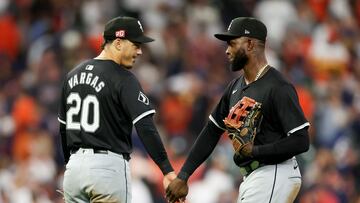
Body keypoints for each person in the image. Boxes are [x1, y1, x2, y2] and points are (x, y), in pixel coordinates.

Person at [166, 17, 310, 203]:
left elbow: (301, 140)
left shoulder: (277, 86)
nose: (227, 50)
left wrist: (256, 151)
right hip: (253, 177)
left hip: (274, 172)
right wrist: (183, 175)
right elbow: (211, 131)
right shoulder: (235, 87)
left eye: (233, 44)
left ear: (250, 44)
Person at [57, 16, 176, 203]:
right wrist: (167, 170)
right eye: (136, 45)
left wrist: (71, 165)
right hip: (107, 169)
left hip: (74, 171)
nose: (140, 51)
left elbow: (63, 131)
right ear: (118, 43)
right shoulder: (123, 78)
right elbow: (146, 127)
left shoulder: (72, 76)